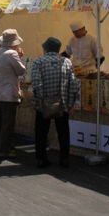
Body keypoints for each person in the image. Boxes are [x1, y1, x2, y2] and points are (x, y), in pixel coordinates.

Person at [31, 37, 80, 168]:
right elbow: (74, 84)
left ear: (45, 48)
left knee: (41, 132)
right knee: (63, 133)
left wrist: (41, 100)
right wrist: (72, 102)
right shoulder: (67, 62)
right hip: (63, 103)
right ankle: (64, 159)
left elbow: (36, 83)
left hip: (44, 103)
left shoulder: (38, 62)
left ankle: (41, 159)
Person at [0, 29, 26, 159]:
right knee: (8, 124)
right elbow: (21, 70)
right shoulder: (12, 53)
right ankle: (4, 150)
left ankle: (1, 147)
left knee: (0, 123)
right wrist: (20, 57)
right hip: (7, 93)